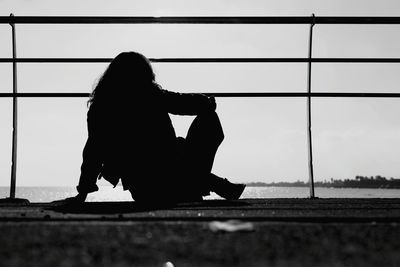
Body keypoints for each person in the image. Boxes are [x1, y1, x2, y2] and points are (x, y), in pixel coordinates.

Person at [66, 51, 245, 205]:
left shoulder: (101, 106)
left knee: (176, 148)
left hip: (143, 189)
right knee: (208, 117)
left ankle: (206, 181)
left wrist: (83, 193)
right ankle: (206, 181)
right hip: (171, 180)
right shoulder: (151, 95)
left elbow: (93, 151)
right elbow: (182, 103)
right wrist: (206, 101)